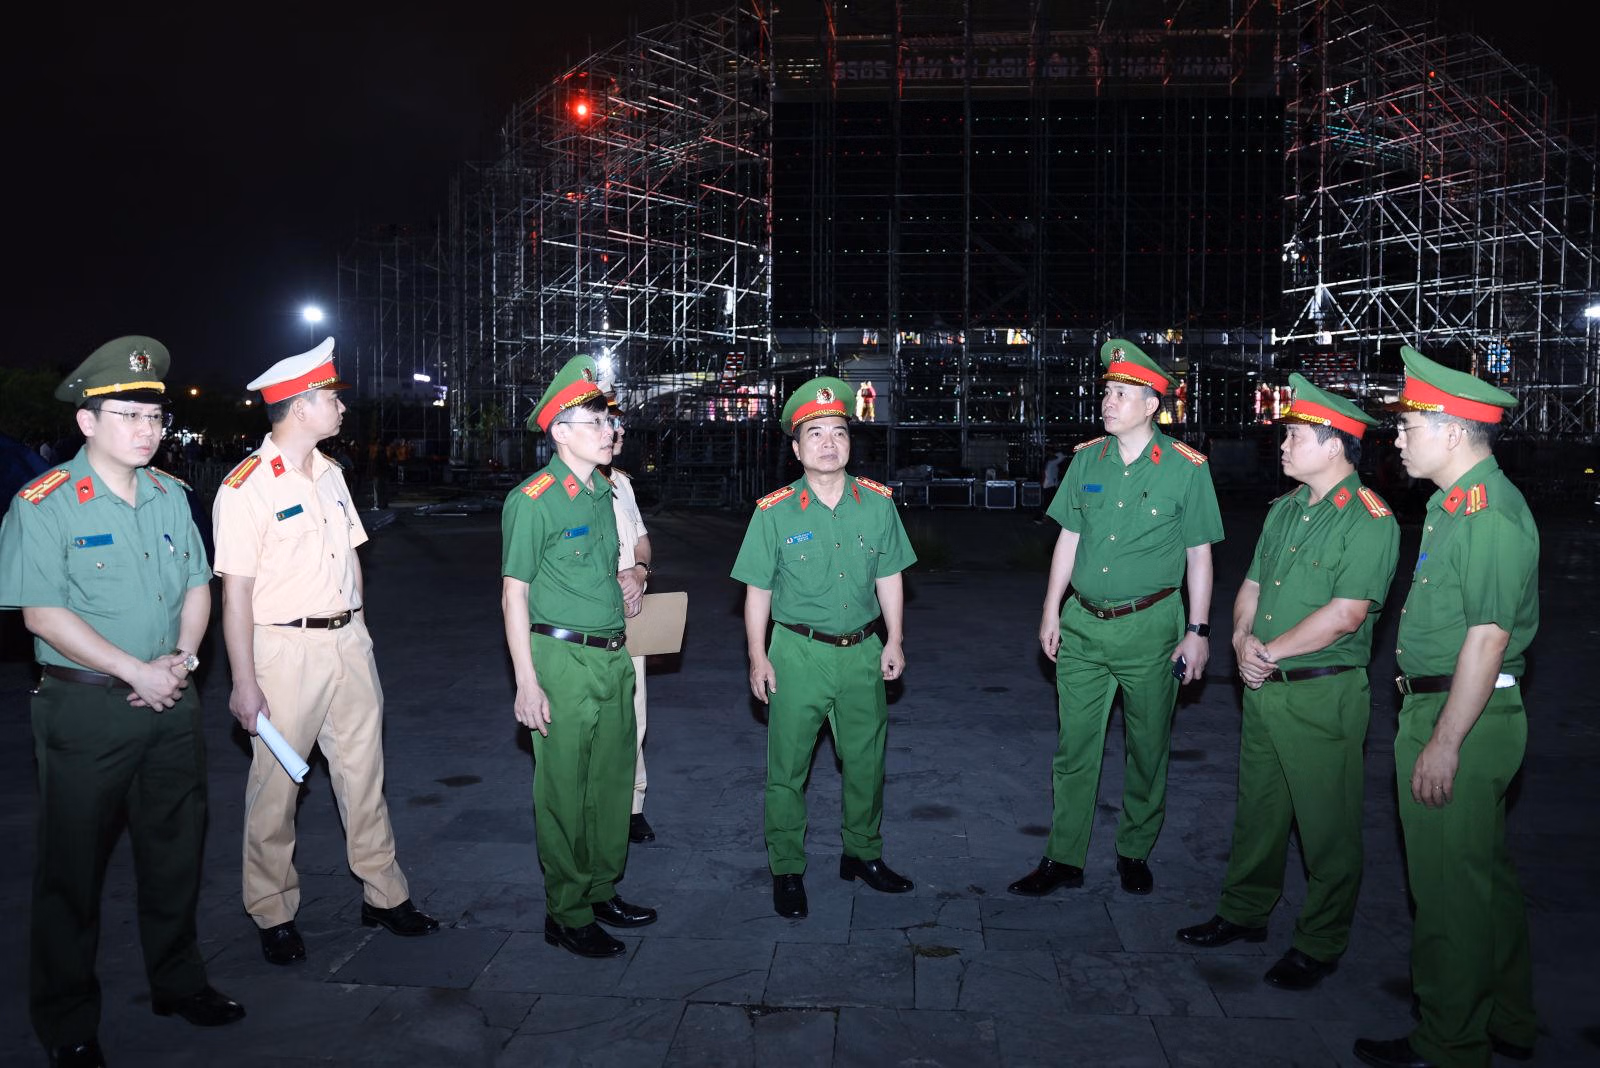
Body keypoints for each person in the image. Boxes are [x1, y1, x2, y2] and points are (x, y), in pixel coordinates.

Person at [0, 337, 244, 1068]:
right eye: (129, 416)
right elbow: (43, 614)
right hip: (86, 711)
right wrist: (135, 670)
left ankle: (179, 981)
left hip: (171, 701)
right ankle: (67, 1020)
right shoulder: (44, 503)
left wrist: (183, 660)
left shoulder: (170, 494)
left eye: (155, 417)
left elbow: (198, 585)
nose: (148, 430)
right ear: (87, 422)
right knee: (71, 871)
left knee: (176, 852)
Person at [212, 337, 437, 968]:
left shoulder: (333, 474)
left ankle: (384, 894)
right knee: (276, 788)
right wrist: (244, 681)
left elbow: (353, 558)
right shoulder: (246, 487)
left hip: (348, 643)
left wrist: (359, 626)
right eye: (331, 398)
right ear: (299, 406)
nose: (341, 407)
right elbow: (236, 594)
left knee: (365, 775)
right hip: (284, 651)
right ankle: (272, 909)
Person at [1177, 374, 1398, 991]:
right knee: (1259, 811)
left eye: (1295, 436)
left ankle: (1320, 942)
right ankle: (1245, 911)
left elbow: (1347, 614)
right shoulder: (1284, 510)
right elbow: (1250, 586)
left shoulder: (1369, 519)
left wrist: (1268, 651)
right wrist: (1242, 641)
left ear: (1334, 445)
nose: (1283, 445)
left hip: (1322, 693)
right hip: (1265, 686)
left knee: (1327, 827)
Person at [1354, 347, 1538, 1068]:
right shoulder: (1452, 505)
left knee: (1445, 892)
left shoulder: (1488, 516)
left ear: (1455, 431)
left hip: (1460, 716)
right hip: (1451, 708)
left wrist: (1445, 741)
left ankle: (1451, 1041)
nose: (1397, 438)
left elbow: (1488, 639)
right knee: (1479, 880)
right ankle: (1508, 1018)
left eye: (1409, 426)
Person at [1009, 339, 1222, 899]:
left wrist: (1197, 631)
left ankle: (1134, 850)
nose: (1109, 402)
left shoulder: (1187, 469)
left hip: (1151, 629)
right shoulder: (1086, 460)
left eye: (1123, 394)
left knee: (1147, 748)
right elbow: (1068, 538)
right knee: (1074, 748)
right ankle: (1064, 857)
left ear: (1152, 405)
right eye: (1107, 392)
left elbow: (1199, 555)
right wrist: (1051, 609)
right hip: (1083, 626)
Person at [731, 377, 918, 919]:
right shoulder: (773, 512)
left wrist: (895, 639)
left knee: (866, 762)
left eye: (838, 431)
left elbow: (889, 577)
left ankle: (862, 854)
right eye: (815, 434)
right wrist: (757, 656)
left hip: (862, 652)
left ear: (850, 442)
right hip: (797, 654)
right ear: (796, 449)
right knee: (787, 769)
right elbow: (757, 591)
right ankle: (787, 869)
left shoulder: (877, 504)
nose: (829, 443)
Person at [500, 356, 656, 959]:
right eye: (596, 422)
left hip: (614, 654)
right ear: (560, 433)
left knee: (611, 783)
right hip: (561, 659)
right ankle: (566, 912)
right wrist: (526, 681)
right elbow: (514, 593)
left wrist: (635, 578)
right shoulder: (533, 500)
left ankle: (600, 889)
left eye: (609, 421)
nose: (609, 430)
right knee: (564, 791)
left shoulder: (602, 492)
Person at [601, 396, 657, 843]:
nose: (618, 432)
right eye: (608, 423)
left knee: (634, 715)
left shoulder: (621, 483)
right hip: (585, 620)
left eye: (618, 424)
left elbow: (641, 540)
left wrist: (639, 572)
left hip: (631, 613)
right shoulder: (557, 492)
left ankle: (632, 804)